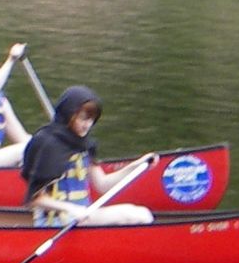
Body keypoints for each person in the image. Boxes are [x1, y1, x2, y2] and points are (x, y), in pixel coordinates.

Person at [21, 85, 155, 228]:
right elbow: (34, 200)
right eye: (83, 119)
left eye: (91, 120)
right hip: (55, 221)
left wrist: (137, 166)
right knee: (139, 215)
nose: (87, 125)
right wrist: (71, 208)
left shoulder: (84, 144)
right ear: (69, 115)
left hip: (81, 217)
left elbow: (102, 184)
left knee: (142, 213)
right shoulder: (48, 144)